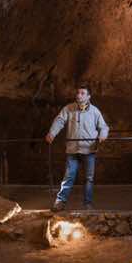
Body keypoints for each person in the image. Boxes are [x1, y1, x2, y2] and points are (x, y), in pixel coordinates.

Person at [45, 83, 109, 211]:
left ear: (88, 96)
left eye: (82, 93)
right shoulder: (69, 108)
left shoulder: (95, 111)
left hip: (89, 150)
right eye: (78, 93)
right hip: (73, 149)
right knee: (69, 176)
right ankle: (60, 202)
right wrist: (52, 133)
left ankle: (87, 204)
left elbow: (103, 126)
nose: (79, 95)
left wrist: (103, 135)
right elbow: (59, 120)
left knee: (89, 178)